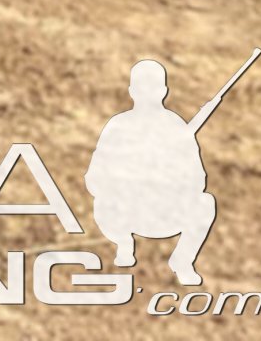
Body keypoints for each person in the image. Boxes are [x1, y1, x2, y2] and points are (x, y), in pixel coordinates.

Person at [85, 60, 218, 286]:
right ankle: (124, 244)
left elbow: (198, 180)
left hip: (163, 212)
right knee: (103, 202)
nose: (147, 93)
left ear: (164, 91)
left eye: (153, 87)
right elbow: (94, 177)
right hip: (124, 213)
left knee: (205, 203)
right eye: (142, 87)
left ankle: (183, 261)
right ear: (131, 91)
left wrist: (168, 177)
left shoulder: (176, 127)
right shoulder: (118, 126)